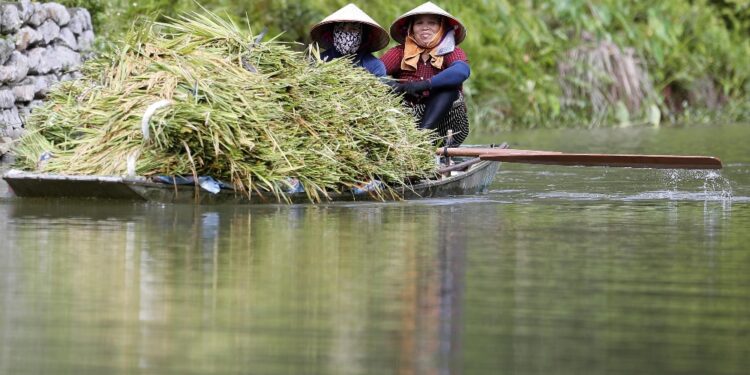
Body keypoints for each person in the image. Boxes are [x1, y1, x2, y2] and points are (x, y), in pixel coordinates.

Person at [380, 2, 470, 146]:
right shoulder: (399, 53)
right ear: (411, 29)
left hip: (446, 126)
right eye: (419, 23)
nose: (425, 27)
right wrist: (400, 87)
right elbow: (372, 76)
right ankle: (415, 142)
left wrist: (425, 85)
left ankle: (422, 138)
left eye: (432, 23)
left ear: (441, 28)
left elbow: (461, 71)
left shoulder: (451, 52)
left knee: (448, 89)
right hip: (407, 125)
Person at [309, 3, 389, 77]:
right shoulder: (319, 61)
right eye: (341, 28)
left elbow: (382, 85)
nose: (346, 34)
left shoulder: (374, 66)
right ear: (332, 32)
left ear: (363, 35)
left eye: (353, 29)